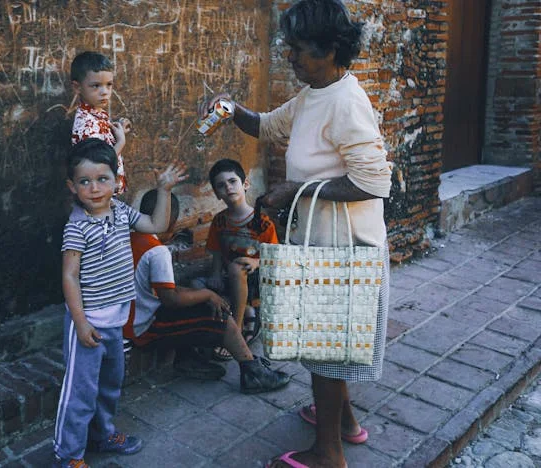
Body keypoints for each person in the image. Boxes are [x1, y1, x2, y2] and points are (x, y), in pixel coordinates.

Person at [199, 1, 392, 467]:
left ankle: (329, 453)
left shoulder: (347, 102)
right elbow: (267, 126)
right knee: (329, 344)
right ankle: (342, 422)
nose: (290, 57)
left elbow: (375, 182)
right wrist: (230, 110)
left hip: (345, 247)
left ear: (330, 50)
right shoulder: (314, 93)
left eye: (300, 50)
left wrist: (296, 189)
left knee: (326, 346)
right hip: (323, 242)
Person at [54, 139, 187, 468]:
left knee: (110, 384)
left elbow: (156, 225)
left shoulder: (121, 212)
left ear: (117, 181)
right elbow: (69, 277)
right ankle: (69, 455)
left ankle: (103, 434)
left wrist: (164, 190)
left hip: (116, 321)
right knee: (80, 394)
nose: (95, 188)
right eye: (84, 181)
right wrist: (81, 324)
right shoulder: (76, 226)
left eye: (103, 179)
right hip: (89, 324)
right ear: (72, 187)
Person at [125, 189, 291, 393]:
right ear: (170, 221)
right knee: (220, 315)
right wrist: (209, 295)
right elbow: (171, 299)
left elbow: (161, 290)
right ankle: (253, 373)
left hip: (128, 320)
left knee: (196, 301)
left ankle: (187, 359)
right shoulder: (157, 251)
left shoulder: (128, 238)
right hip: (142, 328)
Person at [197, 158, 279, 360]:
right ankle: (241, 313)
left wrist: (256, 262)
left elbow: (276, 259)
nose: (228, 187)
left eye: (232, 181)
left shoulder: (263, 223)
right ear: (216, 194)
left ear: (245, 184)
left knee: (236, 267)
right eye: (221, 185)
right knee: (196, 285)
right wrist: (215, 274)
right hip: (230, 278)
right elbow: (216, 252)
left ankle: (238, 327)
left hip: (257, 278)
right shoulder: (220, 221)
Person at [70, 51, 131, 195]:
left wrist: (117, 133)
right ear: (78, 87)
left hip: (107, 193)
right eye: (96, 86)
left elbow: (101, 145)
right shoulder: (86, 123)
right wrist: (121, 143)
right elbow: (97, 166)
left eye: (108, 85)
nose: (104, 92)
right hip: (98, 197)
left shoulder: (97, 113)